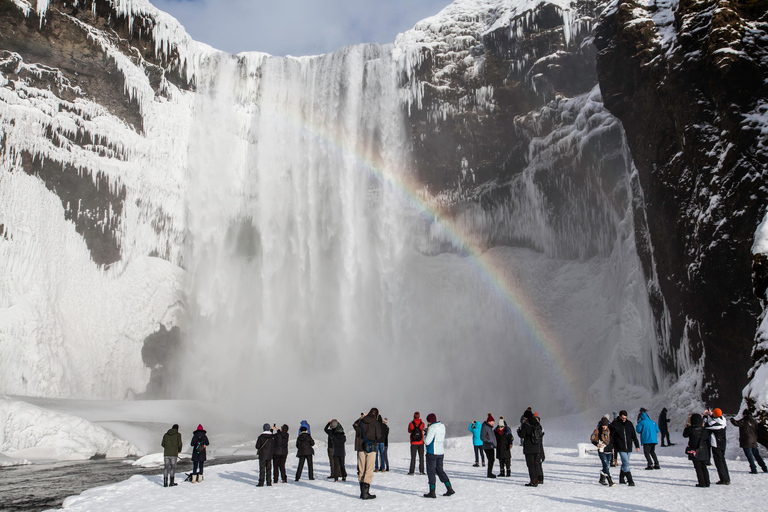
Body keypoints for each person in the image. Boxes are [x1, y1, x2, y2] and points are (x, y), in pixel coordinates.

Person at [422, 413, 455, 498]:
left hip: (432, 452)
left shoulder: (432, 428)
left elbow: (427, 441)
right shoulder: (442, 426)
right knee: (440, 470)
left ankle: (432, 492)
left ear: (429, 421)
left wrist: (426, 434)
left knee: (431, 472)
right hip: (440, 452)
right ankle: (449, 488)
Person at [354, 408, 382, 500]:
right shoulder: (375, 422)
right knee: (369, 470)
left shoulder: (361, 421)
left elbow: (355, 426)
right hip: (371, 447)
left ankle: (362, 493)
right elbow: (379, 436)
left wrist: (361, 418)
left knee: (361, 469)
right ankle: (366, 493)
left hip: (360, 448)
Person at [731, 409, 768, 474]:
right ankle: (764, 468)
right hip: (753, 441)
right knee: (757, 455)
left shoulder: (743, 421)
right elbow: (757, 430)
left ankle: (754, 470)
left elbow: (735, 423)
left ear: (745, 414)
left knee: (750, 456)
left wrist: (732, 419)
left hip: (746, 441)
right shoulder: (754, 421)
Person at [611, 410, 639, 486]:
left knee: (624, 463)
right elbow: (612, 436)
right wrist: (612, 446)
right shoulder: (615, 424)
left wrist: (637, 445)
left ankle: (621, 478)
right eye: (623, 418)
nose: (624, 419)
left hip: (629, 446)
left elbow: (633, 434)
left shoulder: (629, 424)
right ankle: (630, 480)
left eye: (625, 418)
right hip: (620, 447)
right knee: (626, 463)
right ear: (619, 416)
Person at [683, 413, 711, 487]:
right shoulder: (704, 430)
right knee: (704, 467)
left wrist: (686, 428)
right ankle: (707, 482)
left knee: (698, 467)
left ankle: (701, 482)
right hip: (704, 450)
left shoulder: (690, 429)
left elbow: (685, 435)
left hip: (694, 450)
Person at [704, 408, 730, 484]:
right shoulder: (723, 419)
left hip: (716, 444)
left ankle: (724, 479)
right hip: (723, 443)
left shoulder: (714, 423)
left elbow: (704, 425)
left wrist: (705, 416)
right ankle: (726, 478)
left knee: (718, 462)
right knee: (722, 460)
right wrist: (710, 414)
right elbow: (717, 417)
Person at [518, 409, 544, 486]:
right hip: (537, 446)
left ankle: (533, 481)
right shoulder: (537, 423)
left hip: (529, 447)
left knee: (530, 465)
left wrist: (519, 431)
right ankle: (539, 478)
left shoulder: (525, 424)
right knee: (536, 464)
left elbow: (522, 435)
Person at [591, 416, 616, 486]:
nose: (604, 427)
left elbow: (613, 438)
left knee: (606, 465)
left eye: (606, 425)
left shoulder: (610, 431)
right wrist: (597, 444)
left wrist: (612, 447)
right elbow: (592, 439)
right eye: (603, 425)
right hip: (602, 451)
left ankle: (601, 479)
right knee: (606, 465)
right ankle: (610, 480)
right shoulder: (598, 431)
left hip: (609, 450)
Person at [161, 423, 182, 487]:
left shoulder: (166, 435)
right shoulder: (178, 435)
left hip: (166, 453)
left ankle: (165, 482)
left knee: (166, 467)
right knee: (173, 467)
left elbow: (162, 444)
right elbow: (179, 444)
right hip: (174, 454)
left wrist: (167, 448)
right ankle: (171, 482)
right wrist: (179, 450)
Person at [481, 413, 497, 478]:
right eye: (492, 422)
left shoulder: (489, 428)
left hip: (491, 446)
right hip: (488, 446)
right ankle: (489, 473)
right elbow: (482, 437)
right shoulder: (485, 427)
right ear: (489, 421)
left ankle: (490, 472)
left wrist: (495, 444)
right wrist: (489, 441)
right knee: (491, 459)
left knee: (492, 459)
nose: (493, 423)